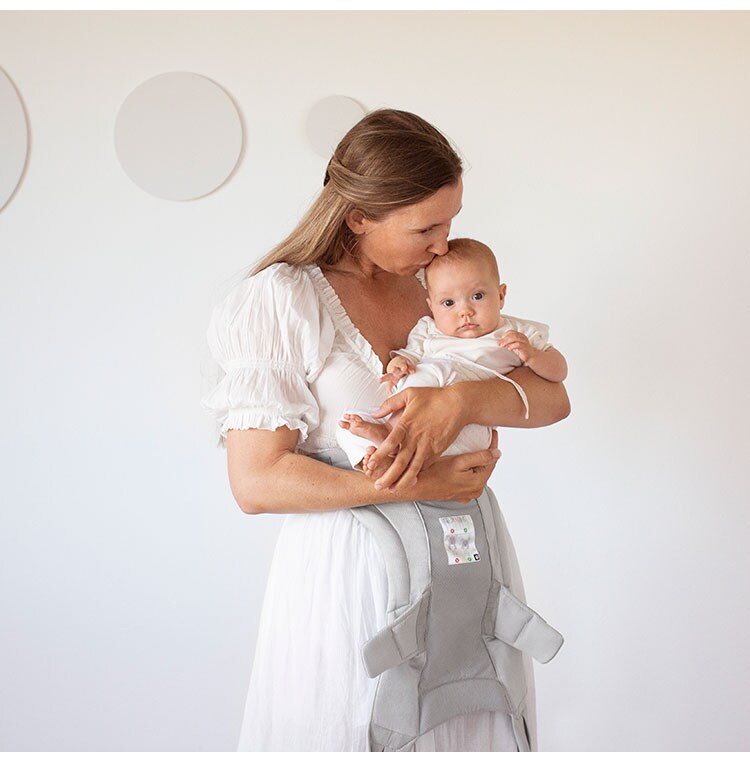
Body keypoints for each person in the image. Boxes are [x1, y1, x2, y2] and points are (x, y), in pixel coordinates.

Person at [201, 109, 570, 752]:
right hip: (348, 573)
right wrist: (417, 481)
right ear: (357, 218)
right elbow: (256, 481)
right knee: (352, 718)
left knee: (466, 717)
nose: (443, 245)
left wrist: (459, 401)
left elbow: (549, 398)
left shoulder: (442, 290)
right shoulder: (282, 301)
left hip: (461, 553)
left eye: (450, 221)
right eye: (426, 228)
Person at [336, 237, 568, 472]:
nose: (465, 311)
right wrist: (399, 364)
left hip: (469, 429)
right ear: (431, 306)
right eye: (448, 303)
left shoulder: (517, 332)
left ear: (501, 295)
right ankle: (382, 451)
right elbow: (409, 356)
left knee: (438, 371)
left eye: (477, 296)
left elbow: (559, 371)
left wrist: (532, 356)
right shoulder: (428, 330)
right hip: (423, 423)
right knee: (346, 425)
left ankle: (390, 437)